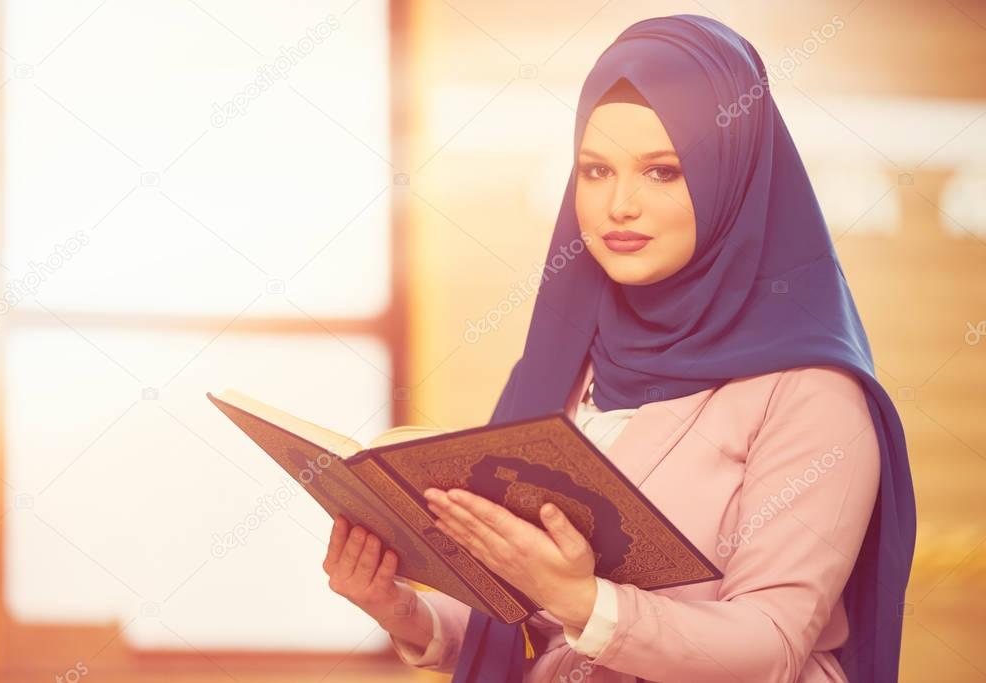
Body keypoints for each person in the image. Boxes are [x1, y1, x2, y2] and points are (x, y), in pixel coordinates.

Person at [322, 13, 916, 683]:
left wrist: (584, 598)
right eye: (596, 170)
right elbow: (532, 626)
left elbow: (771, 644)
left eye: (663, 172)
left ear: (733, 180)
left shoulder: (813, 391)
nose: (619, 205)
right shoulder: (566, 360)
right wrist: (402, 609)